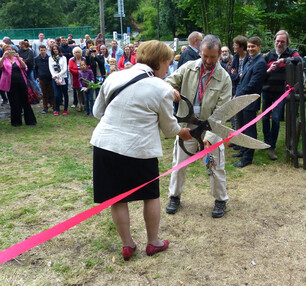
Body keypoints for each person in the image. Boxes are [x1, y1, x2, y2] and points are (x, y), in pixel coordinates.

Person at [90, 40, 192, 260]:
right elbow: (169, 128)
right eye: (168, 64)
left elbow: (98, 112)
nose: (169, 69)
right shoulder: (161, 87)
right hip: (139, 150)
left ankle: (127, 244)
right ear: (162, 61)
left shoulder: (114, 76)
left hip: (105, 146)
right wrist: (182, 132)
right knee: (150, 195)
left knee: (117, 198)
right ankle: (153, 242)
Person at [165, 34, 232, 218]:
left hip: (211, 129)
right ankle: (174, 196)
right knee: (179, 163)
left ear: (219, 55)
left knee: (214, 166)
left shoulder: (224, 79)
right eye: (205, 56)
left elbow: (222, 112)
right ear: (200, 52)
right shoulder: (188, 68)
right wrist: (172, 90)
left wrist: (209, 138)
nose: (208, 61)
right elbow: (167, 82)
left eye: (212, 57)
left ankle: (220, 200)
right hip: (187, 127)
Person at [262, 30, 302, 160]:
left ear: (287, 43)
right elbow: (261, 71)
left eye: (282, 42)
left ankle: (272, 147)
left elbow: (300, 60)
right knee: (264, 118)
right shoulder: (269, 55)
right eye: (277, 41)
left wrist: (284, 60)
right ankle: (266, 142)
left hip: (281, 93)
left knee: (276, 118)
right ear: (274, 41)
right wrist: (269, 70)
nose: (279, 44)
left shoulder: (291, 53)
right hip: (267, 90)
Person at [232, 36, 267, 168]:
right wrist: (237, 94)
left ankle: (248, 158)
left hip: (250, 101)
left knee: (249, 130)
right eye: (249, 46)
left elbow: (253, 84)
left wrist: (238, 95)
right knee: (242, 128)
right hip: (241, 100)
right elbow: (241, 81)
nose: (250, 49)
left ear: (259, 47)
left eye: (253, 46)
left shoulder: (260, 63)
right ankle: (243, 150)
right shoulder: (249, 61)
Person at [0, 45, 37, 126]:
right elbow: (0, 66)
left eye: (11, 49)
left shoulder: (18, 59)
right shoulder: (3, 60)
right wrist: (3, 57)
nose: (9, 51)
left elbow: (24, 67)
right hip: (10, 84)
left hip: (21, 82)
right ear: (4, 51)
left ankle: (30, 121)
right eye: (7, 50)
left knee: (25, 101)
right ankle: (16, 122)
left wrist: (19, 58)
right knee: (14, 103)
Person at [228, 35, 249, 134]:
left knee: (244, 116)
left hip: (245, 89)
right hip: (236, 88)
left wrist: (237, 75)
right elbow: (231, 75)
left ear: (241, 46)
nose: (233, 46)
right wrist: (238, 76)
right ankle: (237, 136)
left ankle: (242, 136)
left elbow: (246, 76)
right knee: (236, 114)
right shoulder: (235, 58)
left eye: (235, 45)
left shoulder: (249, 58)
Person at [48, 44, 69, 115]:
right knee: (57, 95)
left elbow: (65, 69)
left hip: (63, 77)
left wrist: (58, 75)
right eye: (53, 49)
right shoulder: (51, 58)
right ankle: (57, 109)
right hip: (55, 78)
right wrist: (55, 77)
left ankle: (65, 109)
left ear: (59, 49)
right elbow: (51, 69)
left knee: (65, 93)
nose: (55, 50)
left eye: (56, 49)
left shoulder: (63, 58)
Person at [34, 45, 55, 114]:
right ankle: (45, 108)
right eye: (41, 50)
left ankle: (54, 107)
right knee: (44, 94)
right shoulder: (36, 59)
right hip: (42, 78)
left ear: (46, 50)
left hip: (50, 78)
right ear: (39, 50)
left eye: (44, 50)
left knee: (52, 93)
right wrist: (37, 77)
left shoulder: (50, 58)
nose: (42, 51)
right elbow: (35, 69)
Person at [69, 47, 86, 112]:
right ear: (74, 53)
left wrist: (82, 72)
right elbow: (71, 69)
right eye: (76, 52)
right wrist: (79, 72)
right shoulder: (71, 60)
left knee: (84, 91)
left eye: (78, 52)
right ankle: (80, 105)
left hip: (84, 78)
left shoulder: (84, 59)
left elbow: (87, 67)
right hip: (76, 79)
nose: (77, 54)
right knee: (78, 92)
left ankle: (85, 104)